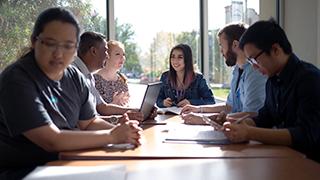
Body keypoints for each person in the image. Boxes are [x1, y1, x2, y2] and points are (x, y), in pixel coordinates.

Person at [0, 7, 142, 179]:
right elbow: (51, 140)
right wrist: (112, 135)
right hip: (25, 172)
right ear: (34, 41)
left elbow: (88, 123)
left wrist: (124, 131)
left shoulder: (74, 76)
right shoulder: (16, 79)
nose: (59, 53)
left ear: (76, 49)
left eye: (68, 46)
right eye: (50, 43)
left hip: (67, 163)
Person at [222, 19, 320, 162]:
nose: (254, 67)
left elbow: (305, 135)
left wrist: (249, 133)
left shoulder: (309, 79)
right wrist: (238, 124)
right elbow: (264, 118)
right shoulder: (273, 81)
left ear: (276, 50)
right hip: (286, 160)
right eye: (250, 62)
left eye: (255, 59)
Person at [181, 23, 267, 125]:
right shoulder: (237, 71)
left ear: (235, 45)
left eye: (221, 45)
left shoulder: (254, 72)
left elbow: (252, 114)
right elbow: (230, 106)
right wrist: (198, 109)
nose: (221, 51)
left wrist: (205, 119)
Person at [73, 31, 143, 123]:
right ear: (93, 51)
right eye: (105, 51)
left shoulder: (88, 76)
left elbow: (102, 107)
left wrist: (137, 111)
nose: (107, 56)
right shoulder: (73, 75)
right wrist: (118, 119)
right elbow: (83, 123)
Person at [156, 44, 215, 108]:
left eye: (180, 57)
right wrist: (163, 103)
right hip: (170, 116)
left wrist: (191, 102)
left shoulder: (198, 79)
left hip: (191, 117)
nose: (175, 61)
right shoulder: (165, 76)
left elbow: (210, 101)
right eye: (172, 57)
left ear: (187, 60)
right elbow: (158, 99)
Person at [94, 40, 129, 106]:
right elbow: (94, 111)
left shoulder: (122, 79)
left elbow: (126, 104)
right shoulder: (95, 80)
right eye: (117, 54)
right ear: (106, 56)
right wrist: (114, 104)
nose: (122, 58)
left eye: (123, 54)